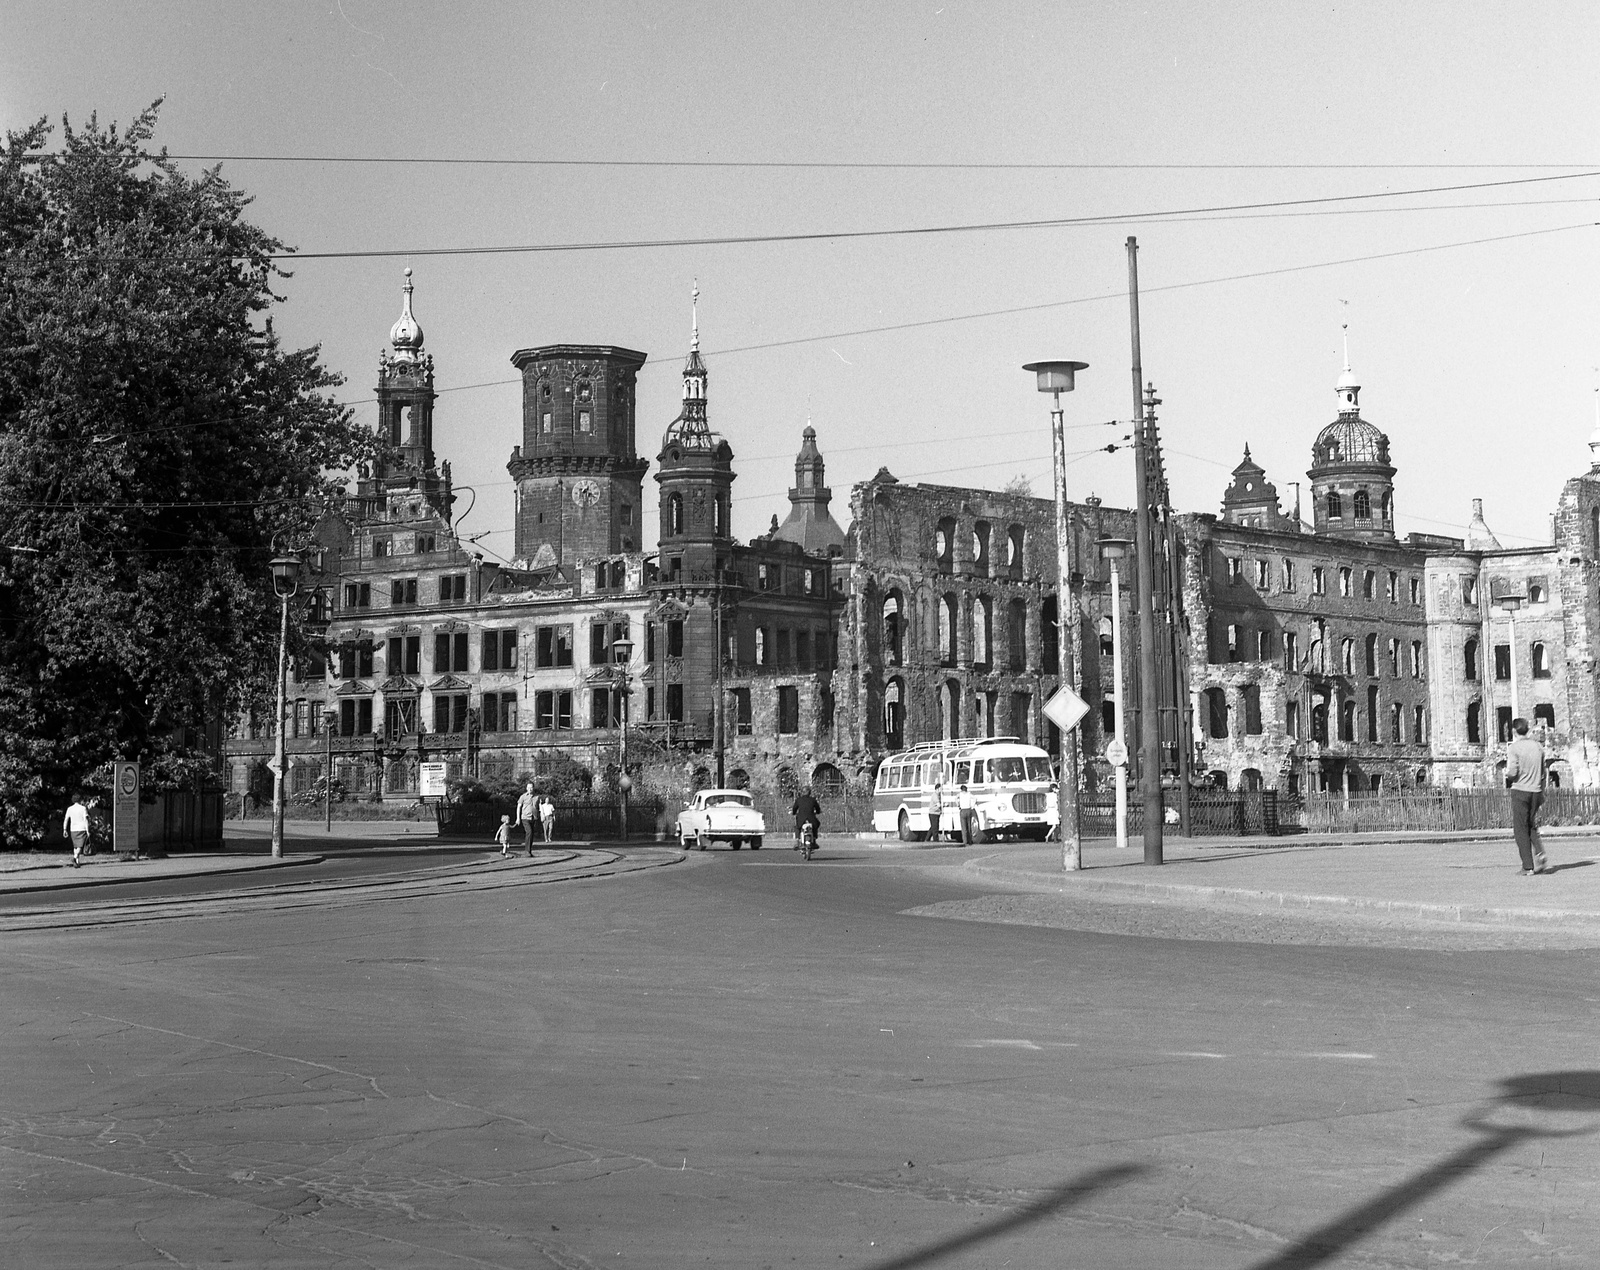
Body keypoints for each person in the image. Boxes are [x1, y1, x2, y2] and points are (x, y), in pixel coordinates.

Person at [1505, 717, 1548, 875]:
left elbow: (1512, 772)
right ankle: (1540, 852)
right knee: (1530, 824)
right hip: (1536, 791)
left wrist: (1508, 775)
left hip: (1520, 790)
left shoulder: (1514, 748)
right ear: (1528, 730)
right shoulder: (1538, 747)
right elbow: (1544, 772)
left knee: (1520, 829)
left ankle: (1527, 866)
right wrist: (1543, 790)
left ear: (1514, 731)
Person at [63, 792, 90, 867]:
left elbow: (66, 819)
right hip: (82, 829)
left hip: (73, 830)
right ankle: (75, 858)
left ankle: (77, 862)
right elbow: (85, 820)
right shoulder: (83, 808)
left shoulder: (70, 809)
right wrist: (87, 830)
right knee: (80, 846)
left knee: (75, 846)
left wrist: (64, 829)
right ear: (80, 800)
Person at [516, 783, 538, 857]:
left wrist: (542, 815)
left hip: (533, 818)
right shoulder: (523, 797)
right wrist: (518, 818)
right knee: (529, 832)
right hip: (525, 817)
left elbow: (539, 806)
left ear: (533, 788)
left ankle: (529, 851)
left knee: (531, 835)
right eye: (528, 787)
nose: (530, 789)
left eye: (531, 787)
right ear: (526, 788)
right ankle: (527, 851)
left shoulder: (537, 797)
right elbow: (518, 807)